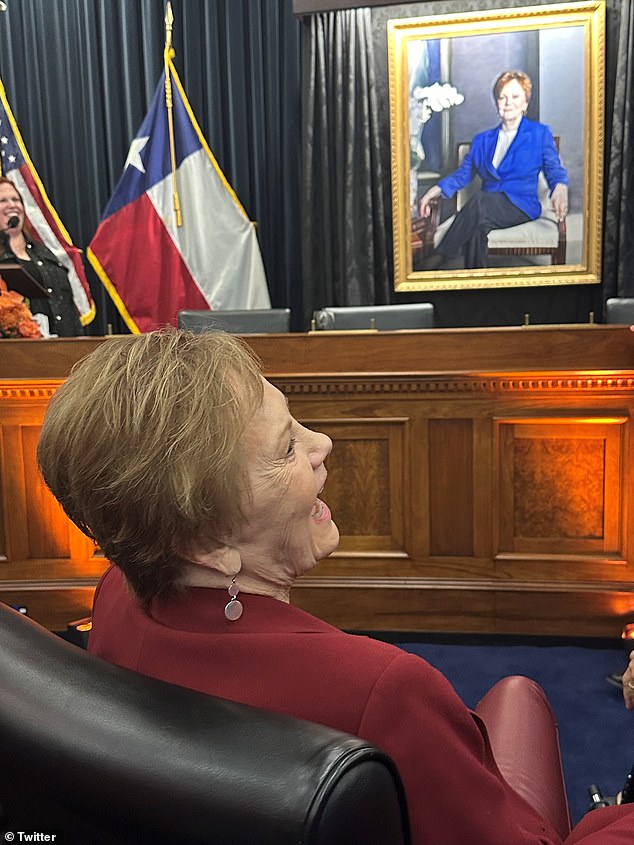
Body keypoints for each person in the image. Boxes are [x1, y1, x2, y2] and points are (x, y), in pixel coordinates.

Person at [36, 329, 634, 845]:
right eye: (287, 448)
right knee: (519, 692)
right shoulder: (384, 695)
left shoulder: (115, 592)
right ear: (207, 547)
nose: (324, 445)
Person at [418, 70, 569, 269]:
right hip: (485, 209)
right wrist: (434, 190)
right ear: (497, 102)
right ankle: (476, 281)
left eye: (515, 97)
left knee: (480, 202)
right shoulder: (482, 140)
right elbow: (464, 173)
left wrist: (560, 186)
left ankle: (439, 257)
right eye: (502, 97)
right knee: (478, 227)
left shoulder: (539, 134)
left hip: (520, 205)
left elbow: (553, 168)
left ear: (525, 103)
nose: (508, 102)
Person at [0, 176, 83, 336]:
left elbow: (67, 305)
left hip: (65, 347)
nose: (12, 205)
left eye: (16, 199)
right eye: (3, 200)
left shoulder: (44, 252)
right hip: (21, 353)